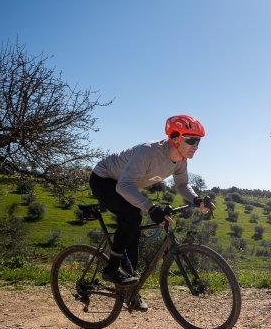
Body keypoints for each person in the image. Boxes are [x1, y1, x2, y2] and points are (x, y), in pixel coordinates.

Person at [89, 114, 212, 311]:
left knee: (134, 233)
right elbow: (123, 186)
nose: (196, 145)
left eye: (198, 141)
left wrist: (197, 200)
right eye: (191, 140)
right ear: (175, 138)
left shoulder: (180, 159)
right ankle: (111, 269)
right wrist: (152, 208)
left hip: (125, 183)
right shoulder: (149, 152)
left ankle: (131, 289)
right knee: (132, 215)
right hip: (104, 179)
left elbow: (182, 185)